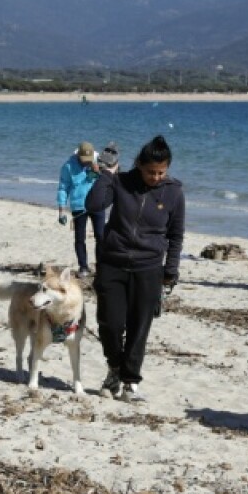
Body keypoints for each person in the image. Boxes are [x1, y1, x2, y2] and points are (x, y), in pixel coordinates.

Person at [85, 135, 185, 402]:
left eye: (161, 172)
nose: (155, 177)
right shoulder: (121, 182)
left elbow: (176, 235)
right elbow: (93, 205)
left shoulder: (174, 191)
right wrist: (107, 173)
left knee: (140, 327)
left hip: (149, 268)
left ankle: (130, 381)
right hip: (113, 263)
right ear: (139, 165)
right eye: (151, 172)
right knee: (110, 324)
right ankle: (114, 368)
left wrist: (170, 270)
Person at [56, 141, 105, 278]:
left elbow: (109, 180)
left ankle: (101, 266)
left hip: (97, 204)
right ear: (78, 155)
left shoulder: (99, 161)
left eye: (88, 161)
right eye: (83, 161)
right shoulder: (68, 166)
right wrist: (61, 211)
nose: (86, 163)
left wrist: (99, 172)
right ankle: (83, 267)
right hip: (79, 206)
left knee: (101, 236)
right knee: (79, 238)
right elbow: (63, 188)